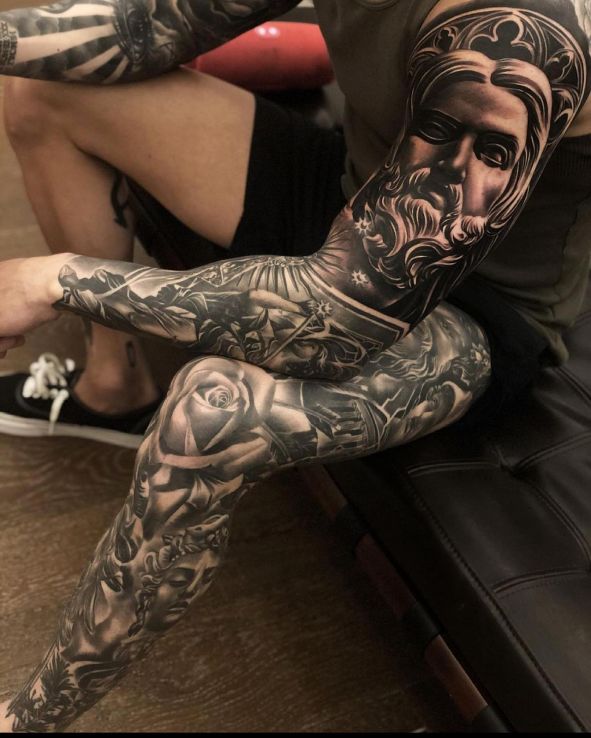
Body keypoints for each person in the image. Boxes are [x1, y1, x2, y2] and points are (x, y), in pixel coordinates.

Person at [0, 0, 589, 731]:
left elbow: (335, 324)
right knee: (43, 90)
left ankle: (28, 720)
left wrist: (53, 281)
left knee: (212, 414)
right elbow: (145, 28)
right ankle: (113, 385)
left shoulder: (525, 32)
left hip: (471, 303)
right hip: (358, 191)